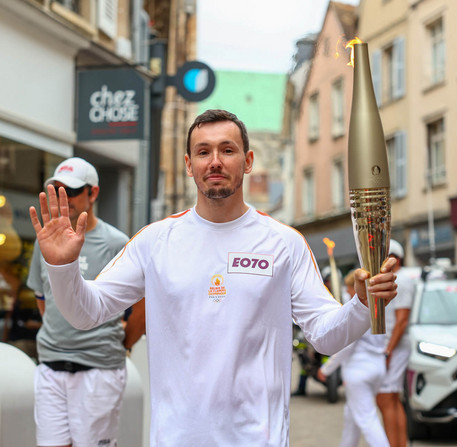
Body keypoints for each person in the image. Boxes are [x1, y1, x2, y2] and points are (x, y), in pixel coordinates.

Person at [29, 110, 398, 446]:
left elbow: (325, 337)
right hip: (176, 438)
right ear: (189, 165)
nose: (215, 161)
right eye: (203, 152)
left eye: (228, 150)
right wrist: (62, 269)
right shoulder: (156, 241)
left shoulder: (284, 244)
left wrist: (362, 303)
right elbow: (85, 313)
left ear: (248, 160)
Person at [27, 157, 144, 447]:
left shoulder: (116, 242)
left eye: (72, 191)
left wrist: (123, 343)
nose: (63, 198)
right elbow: (44, 299)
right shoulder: (45, 240)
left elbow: (141, 305)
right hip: (51, 365)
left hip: (98, 369)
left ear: (93, 193)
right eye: (57, 190)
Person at [317, 270, 389, 447]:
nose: (349, 293)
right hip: (377, 367)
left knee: (367, 419)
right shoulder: (377, 307)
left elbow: (346, 347)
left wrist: (326, 369)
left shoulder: (359, 311)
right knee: (352, 413)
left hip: (359, 370)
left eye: (350, 289)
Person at [376, 239, 415, 447]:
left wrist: (387, 351)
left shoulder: (404, 280)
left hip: (395, 346)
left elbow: (402, 321)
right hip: (390, 346)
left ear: (394, 258)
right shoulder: (393, 279)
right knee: (390, 398)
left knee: (385, 398)